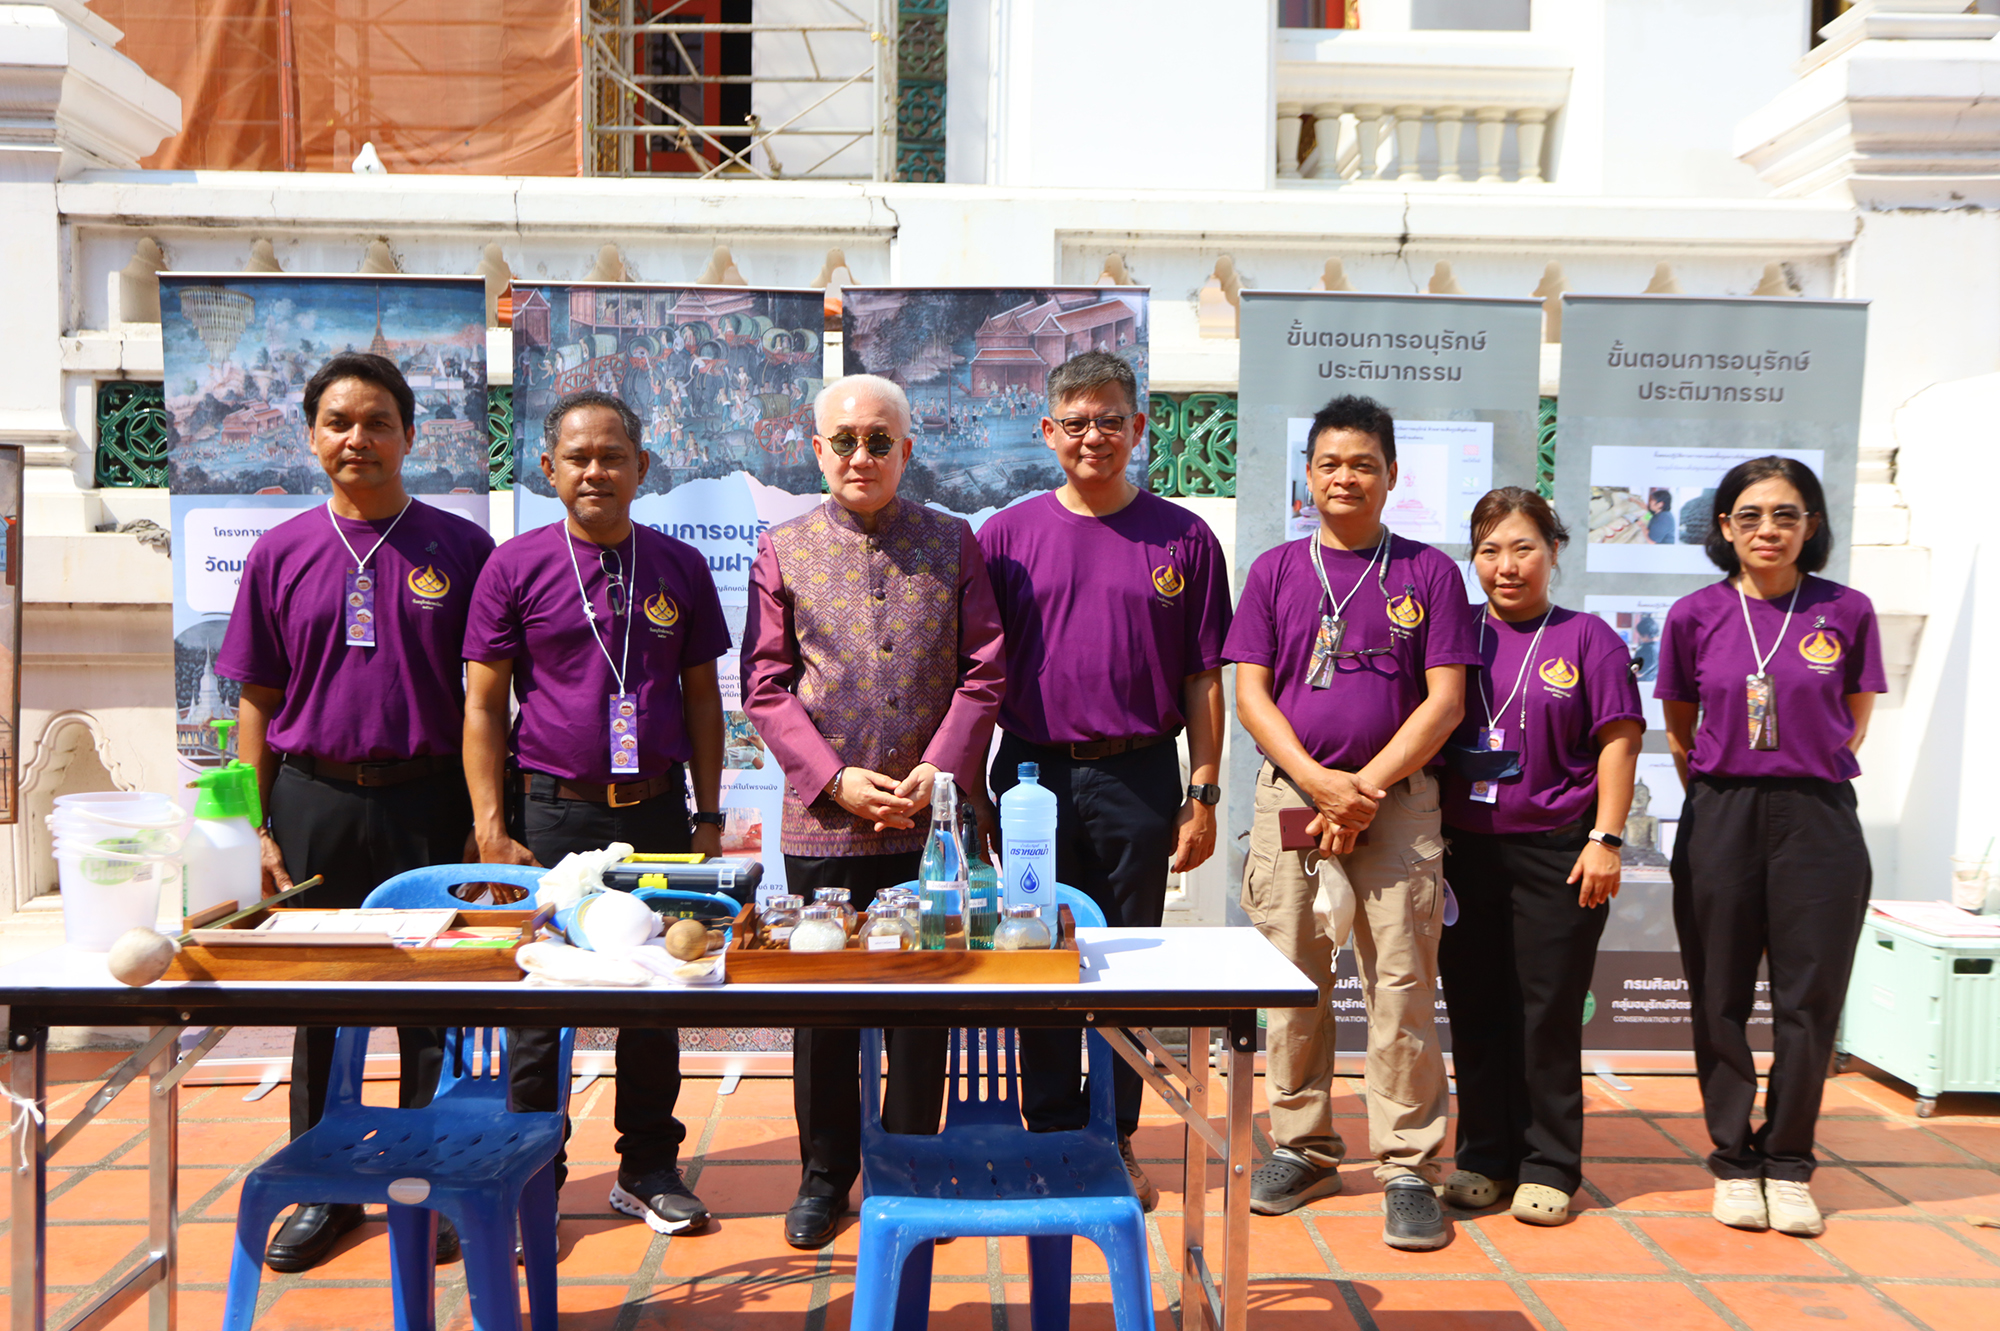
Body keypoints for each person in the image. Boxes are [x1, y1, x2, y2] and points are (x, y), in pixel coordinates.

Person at [217, 351, 492, 1272]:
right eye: (338, 422)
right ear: (312, 437)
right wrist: (252, 826)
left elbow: (490, 699)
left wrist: (482, 816)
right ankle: (321, 1190)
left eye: (377, 422)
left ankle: (433, 1183)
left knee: (432, 1007)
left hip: (428, 800)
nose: (357, 439)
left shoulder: (461, 549)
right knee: (321, 1006)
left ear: (411, 434)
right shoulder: (281, 552)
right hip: (314, 800)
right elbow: (255, 700)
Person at [741, 373, 1005, 1250]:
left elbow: (985, 669)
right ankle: (824, 1175)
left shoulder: (952, 542)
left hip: (932, 821)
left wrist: (940, 767)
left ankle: (910, 1163)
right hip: (827, 822)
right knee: (823, 1007)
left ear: (906, 448)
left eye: (879, 440)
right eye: (845, 441)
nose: (862, 455)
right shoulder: (783, 549)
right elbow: (765, 685)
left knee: (923, 1003)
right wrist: (833, 778)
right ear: (817, 451)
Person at [463, 390, 729, 1236]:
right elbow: (484, 704)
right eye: (577, 457)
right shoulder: (513, 566)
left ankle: (647, 1166)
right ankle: (532, 1174)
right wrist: (492, 826)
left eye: (613, 456)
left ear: (641, 467)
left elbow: (703, 699)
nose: (595, 471)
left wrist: (710, 814)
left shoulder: (679, 565)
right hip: (552, 814)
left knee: (657, 994)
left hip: (656, 814)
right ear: (548, 469)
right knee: (544, 1003)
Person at [976, 350, 1231, 1210]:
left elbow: (1203, 676)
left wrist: (1203, 789)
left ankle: (1112, 1134)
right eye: (1077, 422)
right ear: (1048, 432)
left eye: (1111, 420)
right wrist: (973, 790)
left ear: (1139, 428)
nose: (1095, 436)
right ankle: (1049, 1132)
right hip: (1031, 776)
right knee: (1038, 952)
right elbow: (977, 673)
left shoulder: (1183, 538)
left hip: (1140, 776)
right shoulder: (1005, 537)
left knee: (1128, 963)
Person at [1224, 394, 1477, 1251]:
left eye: (1363, 463)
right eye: (1330, 463)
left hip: (1396, 805)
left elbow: (1445, 701)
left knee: (1400, 986)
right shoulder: (1275, 572)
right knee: (1292, 979)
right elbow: (1251, 695)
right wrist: (1316, 783)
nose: (1345, 477)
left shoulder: (1429, 574)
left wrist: (1362, 787)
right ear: (1307, 475)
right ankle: (1303, 1147)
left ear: (1391, 475)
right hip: (1293, 797)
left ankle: (1408, 1166)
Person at [1656, 456, 1884, 1239]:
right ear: (1724, 526)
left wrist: (1798, 768)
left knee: (1808, 998)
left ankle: (1787, 1161)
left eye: (1787, 514)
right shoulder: (1693, 615)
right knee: (1718, 992)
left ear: (1811, 525)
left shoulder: (1846, 610)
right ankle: (1732, 1158)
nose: (1769, 529)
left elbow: (1855, 716)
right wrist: (1727, 791)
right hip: (1722, 811)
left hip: (1818, 818)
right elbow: (1681, 729)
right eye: (1750, 514)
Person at [1436, 488, 1644, 1226]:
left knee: (1547, 1012)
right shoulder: (1454, 633)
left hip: (1558, 853)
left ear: (1554, 552)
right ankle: (1483, 1156)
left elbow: (1619, 740)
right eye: (1489, 550)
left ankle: (1550, 1162)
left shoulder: (1589, 639)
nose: (1507, 565)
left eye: (1523, 548)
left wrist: (1605, 838)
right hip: (1462, 854)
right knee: (1475, 1008)